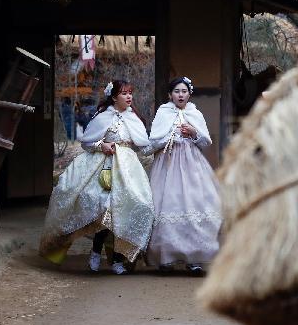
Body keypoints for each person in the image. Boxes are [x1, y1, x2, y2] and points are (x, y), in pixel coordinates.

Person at [39, 80, 154, 274]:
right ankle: (95, 252)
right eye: (124, 93)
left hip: (128, 169)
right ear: (114, 97)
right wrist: (102, 145)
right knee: (102, 207)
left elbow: (145, 146)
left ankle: (118, 260)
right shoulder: (103, 116)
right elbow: (86, 143)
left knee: (126, 208)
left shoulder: (133, 117)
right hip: (102, 166)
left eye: (130, 93)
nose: (129, 97)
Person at [144, 77, 222, 275]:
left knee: (194, 204)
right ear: (170, 95)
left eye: (184, 91)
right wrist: (171, 135)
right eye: (177, 91)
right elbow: (153, 141)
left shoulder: (195, 113)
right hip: (168, 163)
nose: (180, 95)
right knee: (168, 204)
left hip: (192, 164)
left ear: (189, 94)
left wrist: (193, 132)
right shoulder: (163, 112)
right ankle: (166, 258)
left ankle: (194, 258)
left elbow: (205, 141)